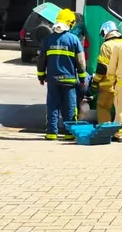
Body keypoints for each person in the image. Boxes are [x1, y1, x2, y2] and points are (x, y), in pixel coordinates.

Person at [36, 8, 87, 141]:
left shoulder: (48, 40)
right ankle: (69, 133)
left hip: (53, 80)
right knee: (69, 107)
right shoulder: (74, 40)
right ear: (70, 23)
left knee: (52, 106)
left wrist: (41, 76)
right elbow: (81, 62)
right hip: (69, 81)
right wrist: (82, 78)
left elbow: (41, 60)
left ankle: (51, 133)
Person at [90, 21, 122, 129]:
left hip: (109, 84)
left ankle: (105, 130)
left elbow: (102, 67)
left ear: (105, 31)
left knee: (103, 106)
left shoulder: (106, 46)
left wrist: (95, 82)